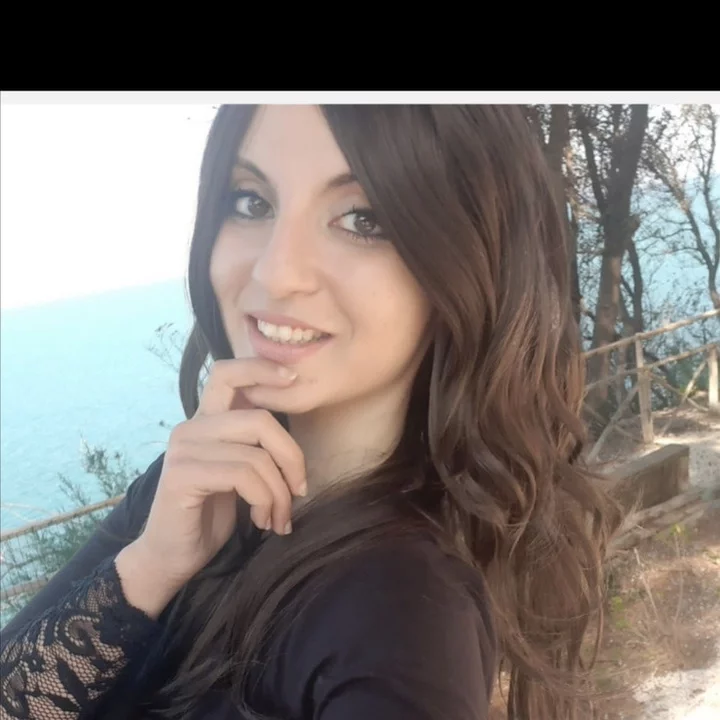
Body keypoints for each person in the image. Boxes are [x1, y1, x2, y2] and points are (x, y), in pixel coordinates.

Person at [0, 105, 622, 720]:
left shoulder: (404, 613)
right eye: (252, 202)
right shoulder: (191, 490)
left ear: (467, 266)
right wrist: (152, 566)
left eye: (363, 218)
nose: (276, 272)